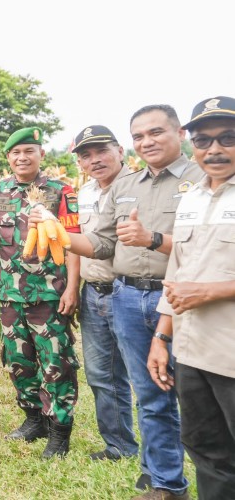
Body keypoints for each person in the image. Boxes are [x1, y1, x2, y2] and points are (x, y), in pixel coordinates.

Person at [61, 105, 200, 497]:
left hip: (181, 298)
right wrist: (56, 234)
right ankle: (163, 479)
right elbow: (103, 243)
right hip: (127, 297)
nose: (147, 142)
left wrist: (152, 239)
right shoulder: (127, 186)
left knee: (196, 395)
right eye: (140, 136)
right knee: (150, 394)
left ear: (180, 134)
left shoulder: (202, 179)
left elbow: (205, 246)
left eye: (156, 133)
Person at [0, 126, 81, 458]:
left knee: (56, 363)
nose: (22, 157)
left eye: (29, 151)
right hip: (10, 295)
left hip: (50, 294)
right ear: (8, 157)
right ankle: (34, 419)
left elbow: (73, 243)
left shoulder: (61, 191)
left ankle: (59, 431)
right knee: (18, 362)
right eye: (16, 152)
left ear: (41, 154)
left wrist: (72, 288)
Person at [148, 96, 235, 500]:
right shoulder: (192, 199)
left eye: (227, 138)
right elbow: (177, 271)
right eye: (203, 140)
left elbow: (198, 286)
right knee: (206, 450)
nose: (214, 149)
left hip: (230, 352)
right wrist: (161, 336)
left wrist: (213, 290)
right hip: (192, 352)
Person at [70, 125, 139, 462]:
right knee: (101, 374)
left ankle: (160, 454)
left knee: (144, 377)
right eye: (86, 155)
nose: (94, 160)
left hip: (131, 292)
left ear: (120, 151)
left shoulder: (139, 187)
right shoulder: (83, 193)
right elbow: (74, 243)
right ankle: (119, 445)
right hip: (93, 292)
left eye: (102, 151)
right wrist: (73, 288)